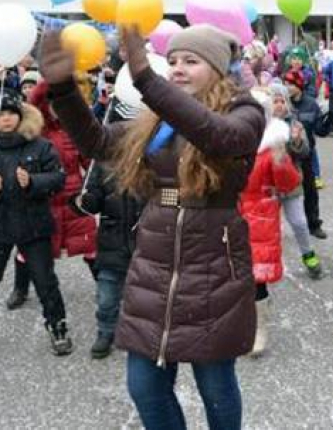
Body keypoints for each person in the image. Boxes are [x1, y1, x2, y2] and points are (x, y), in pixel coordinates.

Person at [40, 24, 266, 430]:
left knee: (215, 387)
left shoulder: (243, 112)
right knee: (144, 385)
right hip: (154, 268)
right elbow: (97, 143)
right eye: (173, 60)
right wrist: (63, 90)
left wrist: (146, 78)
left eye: (191, 61)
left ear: (217, 68)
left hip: (214, 268)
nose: (177, 68)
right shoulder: (156, 121)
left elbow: (219, 137)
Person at [0, 89, 72, 355]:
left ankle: (58, 326)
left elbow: (58, 179)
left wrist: (33, 182)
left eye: (10, 113)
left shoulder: (40, 146)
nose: (5, 119)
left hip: (33, 225)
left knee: (45, 280)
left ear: (21, 116)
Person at [4, 81, 98, 312]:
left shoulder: (77, 130)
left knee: (91, 245)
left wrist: (94, 187)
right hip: (39, 200)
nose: (59, 107)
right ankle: (20, 288)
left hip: (72, 200)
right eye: (53, 102)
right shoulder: (33, 131)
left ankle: (107, 288)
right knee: (27, 248)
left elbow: (90, 163)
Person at [73, 100, 144, 359]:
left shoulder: (150, 164)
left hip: (142, 242)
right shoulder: (103, 165)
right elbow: (93, 199)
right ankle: (105, 330)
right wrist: (83, 201)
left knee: (140, 295)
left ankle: (136, 332)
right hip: (111, 241)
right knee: (106, 296)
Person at [240, 88, 303, 357]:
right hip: (225, 216)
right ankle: (236, 326)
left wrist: (281, 160)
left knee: (255, 279)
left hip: (259, 219)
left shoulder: (270, 147)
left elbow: (290, 183)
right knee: (230, 277)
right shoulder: (228, 140)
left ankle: (259, 328)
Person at [268, 81, 324, 279]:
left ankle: (308, 254)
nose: (279, 105)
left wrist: (297, 141)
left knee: (299, 222)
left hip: (291, 184)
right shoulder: (259, 125)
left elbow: (305, 152)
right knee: (266, 227)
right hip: (268, 187)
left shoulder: (295, 124)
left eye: (282, 100)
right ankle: (264, 263)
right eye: (274, 101)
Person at [283, 69, 328, 240]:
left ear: (299, 86)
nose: (287, 87)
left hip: (306, 154)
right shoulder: (283, 103)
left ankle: (314, 224)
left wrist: (328, 117)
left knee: (310, 191)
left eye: (291, 84)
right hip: (286, 155)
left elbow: (320, 131)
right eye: (285, 83)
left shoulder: (311, 104)